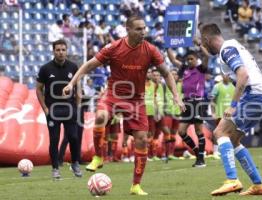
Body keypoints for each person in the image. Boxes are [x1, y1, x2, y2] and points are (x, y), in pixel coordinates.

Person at [62, 16, 184, 195]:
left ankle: (136, 185)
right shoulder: (113, 48)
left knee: (142, 139)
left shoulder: (151, 50)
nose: (143, 32)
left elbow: (166, 73)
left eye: (144, 28)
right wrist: (72, 83)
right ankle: (98, 156)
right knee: (101, 117)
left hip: (136, 100)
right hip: (114, 94)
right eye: (138, 29)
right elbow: (89, 66)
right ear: (128, 29)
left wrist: (176, 96)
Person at [201, 23, 262, 196]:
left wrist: (233, 106)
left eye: (203, 44)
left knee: (219, 133)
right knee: (233, 140)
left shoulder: (227, 50)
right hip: (261, 95)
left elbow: (243, 75)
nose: (203, 47)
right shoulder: (231, 46)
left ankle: (232, 180)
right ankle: (258, 184)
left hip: (254, 95)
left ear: (207, 39)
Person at [36, 39, 82, 179]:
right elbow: (38, 90)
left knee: (73, 138)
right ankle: (55, 168)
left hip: (70, 110)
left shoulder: (74, 67)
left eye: (63, 50)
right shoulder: (45, 69)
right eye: (58, 50)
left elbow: (78, 88)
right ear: (53, 51)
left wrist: (78, 107)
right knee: (54, 139)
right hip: (53, 110)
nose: (61, 52)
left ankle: (75, 164)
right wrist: (45, 108)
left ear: (66, 50)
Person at [167, 48, 208, 168]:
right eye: (188, 59)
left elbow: (206, 56)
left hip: (197, 103)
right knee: (181, 131)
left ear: (196, 59)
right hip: (186, 103)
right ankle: (197, 153)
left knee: (199, 131)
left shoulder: (201, 68)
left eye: (192, 59)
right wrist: (168, 46)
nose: (189, 61)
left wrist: (200, 45)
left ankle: (201, 160)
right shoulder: (184, 68)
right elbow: (173, 60)